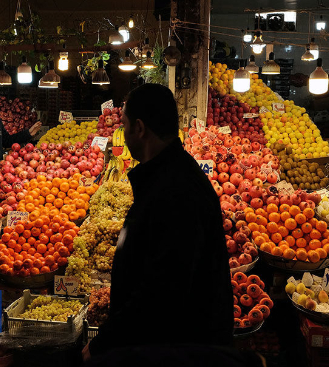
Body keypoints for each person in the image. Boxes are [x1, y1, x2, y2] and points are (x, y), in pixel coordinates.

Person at [83, 84, 233, 362]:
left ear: (139, 128)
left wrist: (105, 342)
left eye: (125, 126)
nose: (124, 135)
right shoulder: (167, 176)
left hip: (177, 349)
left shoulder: (176, 190)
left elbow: (161, 290)